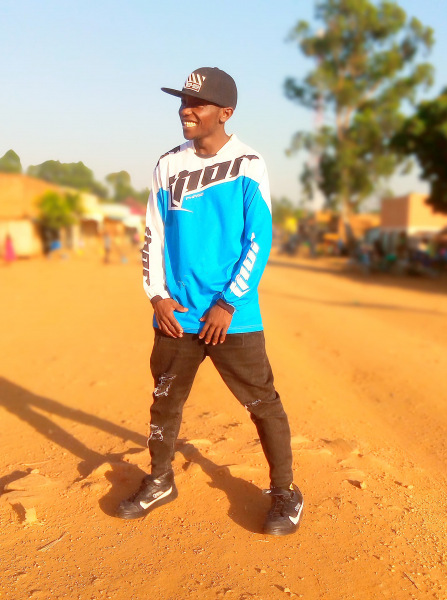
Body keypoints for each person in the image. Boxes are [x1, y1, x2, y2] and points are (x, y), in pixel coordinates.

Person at [116, 67, 303, 535]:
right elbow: (153, 235)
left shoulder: (248, 163)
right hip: (177, 315)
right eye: (183, 102)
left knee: (262, 404)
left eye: (196, 104)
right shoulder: (167, 165)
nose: (186, 110)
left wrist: (229, 302)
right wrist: (157, 296)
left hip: (231, 317)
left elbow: (258, 239)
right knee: (164, 402)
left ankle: (285, 492)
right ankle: (160, 480)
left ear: (225, 113)